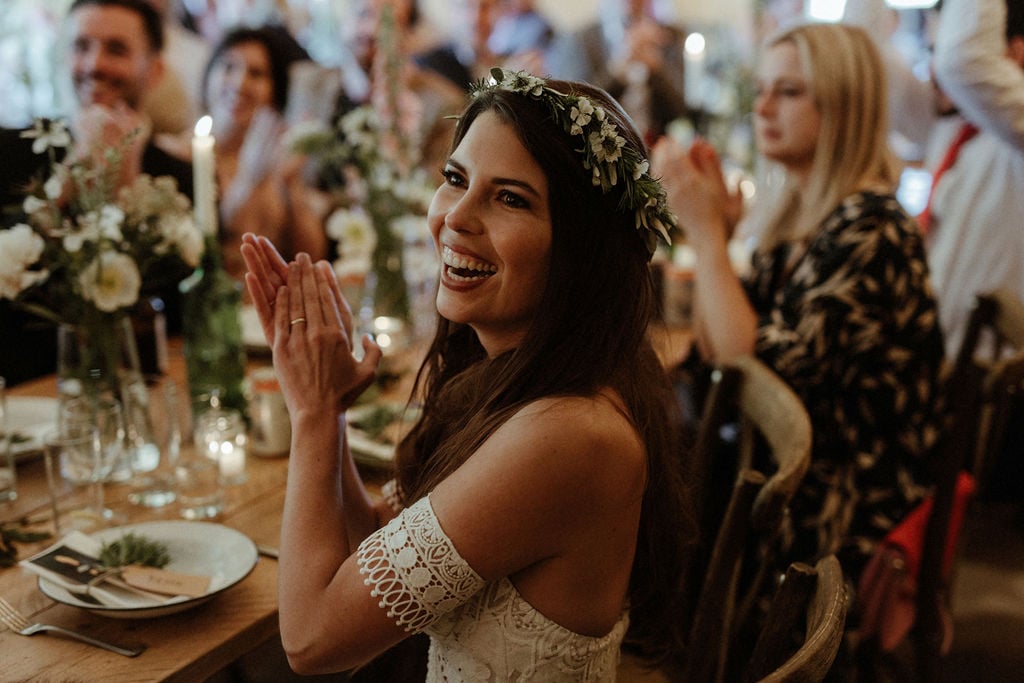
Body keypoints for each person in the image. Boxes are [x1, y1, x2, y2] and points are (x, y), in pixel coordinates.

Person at [241, 69, 694, 679]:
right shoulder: (513, 376)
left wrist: (313, 414)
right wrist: (331, 413)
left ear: (582, 249)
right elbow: (373, 543)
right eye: (455, 179)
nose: (456, 218)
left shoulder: (567, 435)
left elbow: (311, 640)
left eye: (511, 198)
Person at [652, 22, 945, 589]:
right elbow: (718, 352)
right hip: (784, 473)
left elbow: (753, 369)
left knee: (645, 483)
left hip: (841, 509)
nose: (762, 107)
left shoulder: (873, 230)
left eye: (788, 92)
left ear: (844, 105)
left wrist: (708, 235)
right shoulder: (804, 219)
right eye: (760, 89)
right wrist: (720, 230)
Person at [0, 0, 193, 384]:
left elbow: (179, 318)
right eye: (81, 46)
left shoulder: (178, 178)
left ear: (153, 70)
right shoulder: (11, 153)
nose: (94, 64)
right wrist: (68, 180)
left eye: (116, 49)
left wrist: (129, 187)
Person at [174, 25, 328, 281]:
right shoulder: (176, 155)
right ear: (208, 74)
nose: (240, 83)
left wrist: (291, 186)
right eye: (228, 67)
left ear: (276, 92)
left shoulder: (279, 161)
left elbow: (312, 258)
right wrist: (247, 182)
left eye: (256, 74)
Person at [546, 0, 695, 143]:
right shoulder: (583, 39)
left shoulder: (669, 36)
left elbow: (680, 110)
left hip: (655, 146)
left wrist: (657, 70)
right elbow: (576, 107)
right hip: (599, 145)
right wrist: (618, 70)